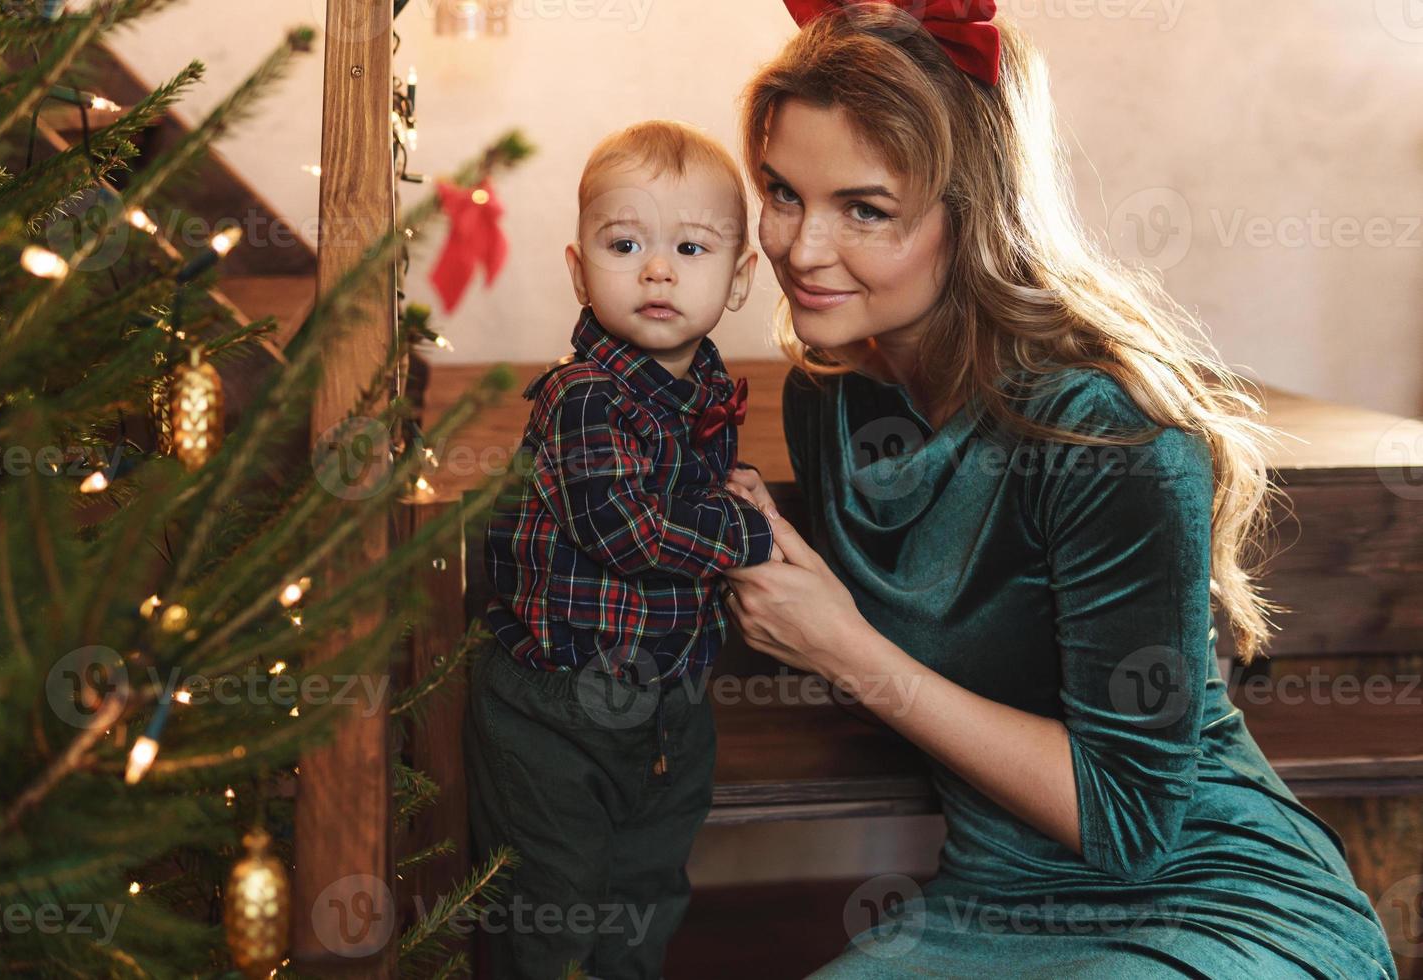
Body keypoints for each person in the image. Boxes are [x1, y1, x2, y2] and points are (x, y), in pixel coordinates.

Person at [718, 3, 1399, 977]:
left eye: (865, 209)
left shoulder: (1108, 434)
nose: (801, 248)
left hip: (1213, 897)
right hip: (991, 897)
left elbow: (1131, 826)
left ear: (974, 209)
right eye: (782, 192)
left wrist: (842, 646)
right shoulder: (831, 402)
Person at [464, 119, 780, 980]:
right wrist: (747, 530)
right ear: (578, 268)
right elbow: (627, 530)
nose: (656, 269)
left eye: (689, 246)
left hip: (670, 707)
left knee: (644, 904)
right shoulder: (583, 395)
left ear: (741, 277)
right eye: (625, 242)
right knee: (553, 911)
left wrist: (732, 486)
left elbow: (681, 493)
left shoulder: (705, 387)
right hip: (556, 710)